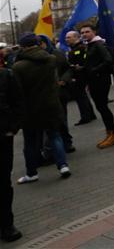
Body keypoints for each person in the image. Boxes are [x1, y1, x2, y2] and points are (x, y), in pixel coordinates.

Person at [12, 34, 70, 184]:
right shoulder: (50, 59)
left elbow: (17, 91)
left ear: (23, 46)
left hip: (30, 109)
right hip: (51, 105)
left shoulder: (19, 66)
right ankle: (63, 165)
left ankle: (31, 173)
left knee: (30, 142)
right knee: (55, 136)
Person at [79, 23, 114, 149]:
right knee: (101, 107)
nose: (84, 34)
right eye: (82, 32)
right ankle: (110, 133)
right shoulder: (90, 45)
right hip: (94, 80)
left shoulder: (98, 44)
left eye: (87, 31)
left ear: (94, 32)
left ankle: (113, 134)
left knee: (102, 107)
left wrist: (94, 70)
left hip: (100, 80)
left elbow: (108, 60)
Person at [0, 48, 23, 242]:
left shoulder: (6, 75)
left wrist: (13, 128)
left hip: (2, 137)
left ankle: (7, 224)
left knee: (3, 183)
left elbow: (18, 103)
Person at [64, 30, 97, 125]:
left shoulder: (81, 48)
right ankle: (90, 114)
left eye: (69, 37)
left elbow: (85, 61)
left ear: (76, 37)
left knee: (80, 97)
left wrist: (78, 67)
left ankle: (85, 116)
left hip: (80, 76)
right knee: (83, 96)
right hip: (78, 75)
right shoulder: (73, 49)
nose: (66, 39)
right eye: (66, 37)